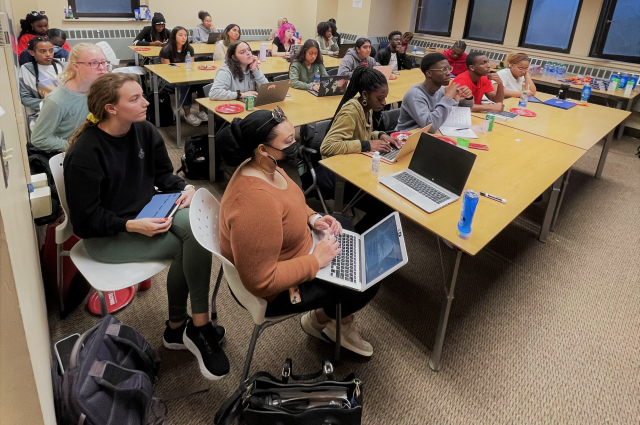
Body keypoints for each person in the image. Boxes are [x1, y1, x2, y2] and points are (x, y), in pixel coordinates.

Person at [63, 73, 229, 380]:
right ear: (111, 108)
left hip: (146, 214)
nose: (146, 101)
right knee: (188, 243)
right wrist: (131, 225)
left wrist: (184, 188)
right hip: (107, 235)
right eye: (135, 98)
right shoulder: (86, 153)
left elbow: (164, 177)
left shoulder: (145, 131)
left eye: (143, 95)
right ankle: (194, 327)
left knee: (194, 226)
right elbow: (85, 223)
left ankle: (181, 329)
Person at [217, 108, 380, 357]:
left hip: (297, 250)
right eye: (288, 141)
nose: (296, 146)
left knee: (343, 228)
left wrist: (312, 217)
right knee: (370, 276)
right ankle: (323, 320)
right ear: (262, 149)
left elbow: (290, 200)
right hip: (279, 289)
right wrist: (315, 261)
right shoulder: (254, 202)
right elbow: (261, 282)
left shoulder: (266, 166)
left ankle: (338, 316)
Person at [319, 66, 398, 233]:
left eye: (385, 98)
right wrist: (368, 145)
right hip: (335, 173)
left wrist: (380, 135)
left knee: (389, 201)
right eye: (380, 98)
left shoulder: (365, 107)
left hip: (351, 166)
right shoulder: (351, 110)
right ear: (364, 94)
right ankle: (355, 239)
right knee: (387, 207)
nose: (384, 102)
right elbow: (327, 146)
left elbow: (362, 133)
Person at [30, 43, 108, 153]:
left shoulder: (100, 89)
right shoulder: (57, 101)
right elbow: (39, 139)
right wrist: (75, 146)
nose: (102, 68)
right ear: (75, 66)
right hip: (75, 153)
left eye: (103, 62)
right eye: (93, 63)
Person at [396, 53, 474, 133]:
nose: (448, 73)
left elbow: (455, 113)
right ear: (429, 73)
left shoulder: (440, 90)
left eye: (449, 68)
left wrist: (468, 98)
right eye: (443, 69)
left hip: (427, 135)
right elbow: (430, 127)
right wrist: (448, 97)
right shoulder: (415, 95)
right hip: (406, 137)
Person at [160, 26, 207, 126]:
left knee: (201, 83)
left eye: (185, 35)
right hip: (168, 80)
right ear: (173, 36)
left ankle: (202, 111)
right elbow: (166, 71)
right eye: (180, 35)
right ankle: (187, 113)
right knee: (186, 84)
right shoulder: (166, 50)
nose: (184, 37)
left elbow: (192, 66)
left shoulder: (189, 48)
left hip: (185, 76)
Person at [19, 37, 66, 115]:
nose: (48, 54)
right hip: (44, 112)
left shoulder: (65, 67)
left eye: (51, 51)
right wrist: (50, 105)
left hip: (67, 110)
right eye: (43, 51)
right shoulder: (26, 70)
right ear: (32, 52)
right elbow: (25, 98)